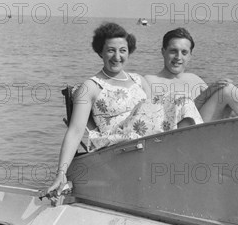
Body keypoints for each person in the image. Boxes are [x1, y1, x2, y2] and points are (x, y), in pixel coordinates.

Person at [46, 22, 202, 195]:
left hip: (148, 138)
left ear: (129, 52)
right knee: (180, 101)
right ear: (100, 52)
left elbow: (156, 112)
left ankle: (186, 167)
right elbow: (75, 131)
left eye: (123, 50)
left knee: (183, 101)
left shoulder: (139, 80)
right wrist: (61, 173)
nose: (117, 56)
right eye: (111, 50)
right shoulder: (90, 87)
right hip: (118, 144)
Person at [145, 28, 238, 122]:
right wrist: (208, 92)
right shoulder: (150, 81)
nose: (178, 57)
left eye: (184, 52)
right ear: (163, 52)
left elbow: (218, 108)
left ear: (190, 56)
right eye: (173, 51)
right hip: (178, 136)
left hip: (207, 132)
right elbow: (160, 120)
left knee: (227, 91)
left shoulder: (194, 79)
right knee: (226, 91)